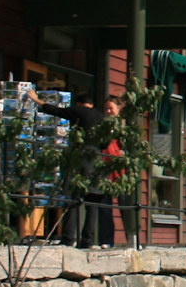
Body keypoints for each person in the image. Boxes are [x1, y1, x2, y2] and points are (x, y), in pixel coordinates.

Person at [30, 89, 121, 248]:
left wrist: (36, 100)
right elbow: (105, 143)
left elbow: (56, 111)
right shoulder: (101, 118)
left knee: (72, 199)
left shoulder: (79, 111)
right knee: (92, 203)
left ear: (79, 104)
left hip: (79, 159)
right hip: (96, 161)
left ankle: (68, 238)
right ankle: (88, 240)